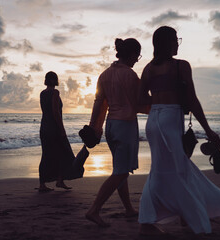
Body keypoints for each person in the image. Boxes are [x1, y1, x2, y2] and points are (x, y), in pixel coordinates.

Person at [138, 26, 220, 235]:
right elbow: (192, 100)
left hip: (153, 122)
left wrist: (159, 103)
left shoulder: (148, 68)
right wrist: (208, 130)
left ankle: (151, 220)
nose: (177, 43)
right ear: (167, 43)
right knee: (179, 170)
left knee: (160, 170)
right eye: (176, 40)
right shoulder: (181, 66)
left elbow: (139, 100)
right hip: (169, 119)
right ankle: (195, 219)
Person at [85, 38, 148, 227]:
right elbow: (140, 104)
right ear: (132, 54)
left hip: (111, 126)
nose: (137, 60)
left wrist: (95, 127)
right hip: (125, 125)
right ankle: (94, 210)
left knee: (120, 169)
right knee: (121, 172)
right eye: (137, 56)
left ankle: (128, 208)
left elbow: (99, 104)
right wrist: (163, 106)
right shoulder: (130, 75)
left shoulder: (104, 75)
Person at [38, 71, 75, 192]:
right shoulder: (55, 92)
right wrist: (62, 128)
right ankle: (59, 180)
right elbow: (55, 112)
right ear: (54, 80)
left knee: (47, 155)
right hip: (53, 128)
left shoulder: (42, 93)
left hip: (44, 127)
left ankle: (44, 183)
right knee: (63, 153)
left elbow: (46, 111)